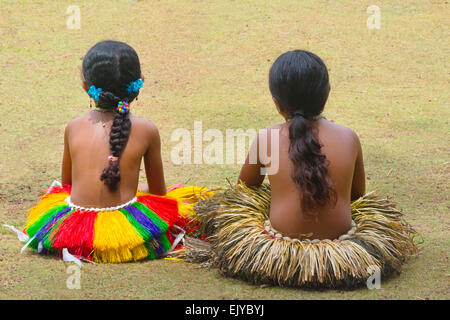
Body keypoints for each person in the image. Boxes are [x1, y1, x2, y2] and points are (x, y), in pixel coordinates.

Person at [184, 50, 418, 288]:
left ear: (276, 103)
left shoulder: (266, 138)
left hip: (278, 249)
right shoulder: (349, 137)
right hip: (342, 245)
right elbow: (356, 196)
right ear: (327, 93)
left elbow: (244, 191)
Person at [16, 40, 207, 263]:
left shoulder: (73, 126)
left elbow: (66, 185)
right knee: (185, 198)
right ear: (140, 83)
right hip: (125, 236)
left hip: (74, 235)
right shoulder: (147, 130)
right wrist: (137, 189)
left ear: (86, 86)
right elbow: (158, 194)